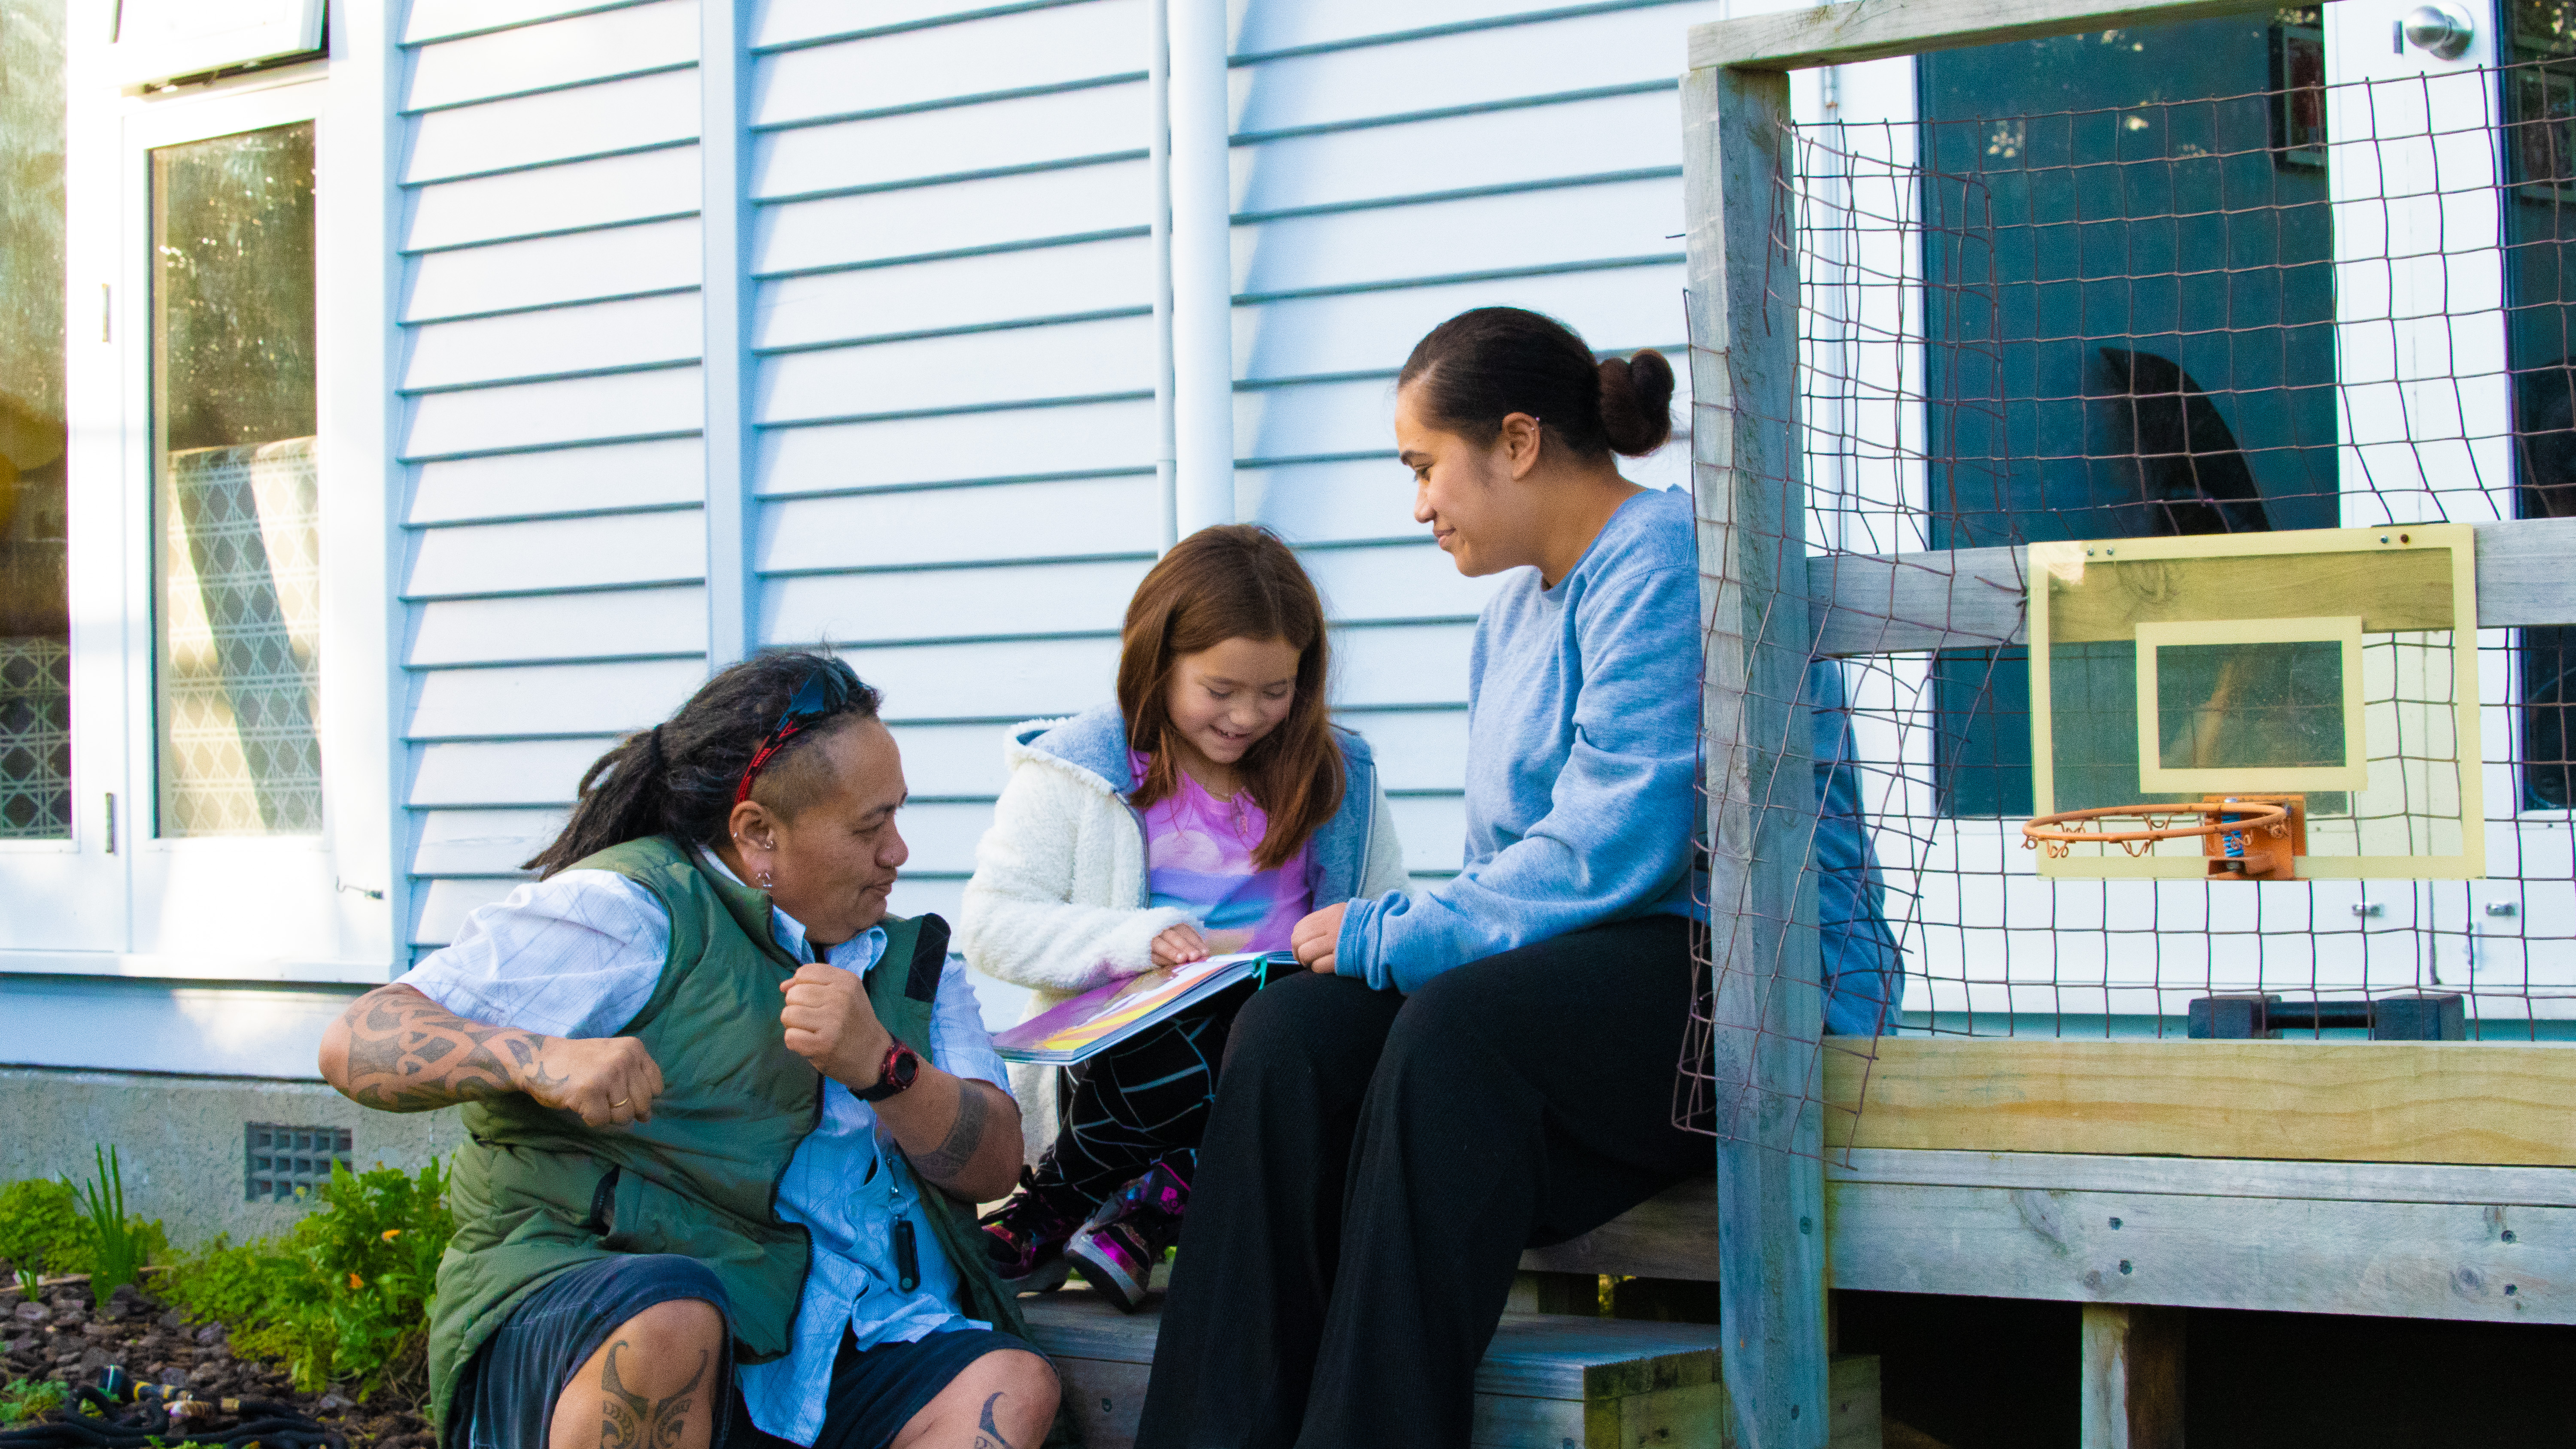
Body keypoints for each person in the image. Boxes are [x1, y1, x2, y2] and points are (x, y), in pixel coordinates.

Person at [1132, 307, 1902, 1449]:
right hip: (1594, 988)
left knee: (1457, 1032)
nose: (1420, 503)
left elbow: (1617, 845)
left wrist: (1396, 929)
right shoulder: (1511, 617)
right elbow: (1512, 876)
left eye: (1426, 466)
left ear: (1520, 443)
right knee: (1293, 1040)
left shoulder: (1668, 560)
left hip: (1750, 972)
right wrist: (1398, 947)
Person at [316, 653, 1061, 1449]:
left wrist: (882, 1066)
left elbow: (992, 1167)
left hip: (835, 1333)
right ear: (758, 833)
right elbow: (356, 1041)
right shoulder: (630, 913)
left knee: (1008, 1390)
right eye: (868, 827)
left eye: (897, 817)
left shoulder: (911, 966)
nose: (899, 852)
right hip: (607, 1319)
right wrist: (540, 1060)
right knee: (673, 1321)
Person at [960, 525, 1408, 1311]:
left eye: (1277, 692)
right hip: (1121, 1061)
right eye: (1220, 690)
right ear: (1158, 661)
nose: (1247, 716)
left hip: (1280, 1065)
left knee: (1267, 1013)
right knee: (1192, 1005)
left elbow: (1384, 925)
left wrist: (1348, 945)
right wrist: (1131, 943)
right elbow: (992, 925)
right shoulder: (1080, 774)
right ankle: (1137, 1199)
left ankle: (1087, 1200)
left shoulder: (1337, 779)